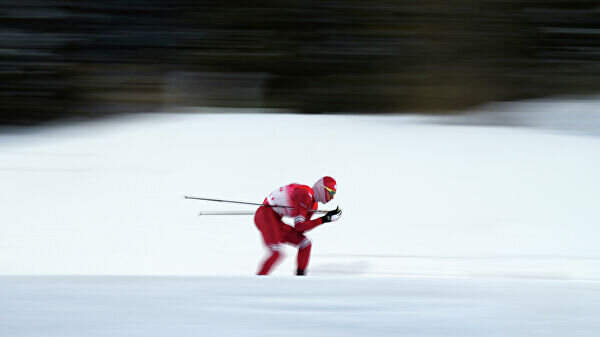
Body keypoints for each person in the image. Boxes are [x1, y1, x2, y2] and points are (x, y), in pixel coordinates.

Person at [254, 176, 342, 275]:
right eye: (331, 193)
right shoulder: (305, 194)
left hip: (276, 220)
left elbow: (301, 229)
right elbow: (299, 226)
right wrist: (324, 219)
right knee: (276, 252)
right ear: (322, 188)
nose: (332, 197)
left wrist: (324, 219)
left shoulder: (314, 205)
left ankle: (300, 279)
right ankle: (256, 282)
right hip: (266, 215)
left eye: (334, 194)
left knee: (305, 243)